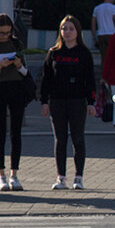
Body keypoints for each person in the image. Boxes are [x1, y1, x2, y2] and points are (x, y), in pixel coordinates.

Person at [39, 15, 97, 190]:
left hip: (78, 101)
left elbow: (90, 79)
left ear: (77, 31)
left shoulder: (84, 53)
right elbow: (45, 79)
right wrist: (44, 101)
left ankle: (78, 177)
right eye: (64, 28)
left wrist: (91, 102)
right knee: (60, 139)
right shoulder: (54, 53)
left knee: (78, 138)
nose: (68, 32)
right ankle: (61, 177)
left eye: (71, 29)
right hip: (57, 102)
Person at [0, 13, 32, 191]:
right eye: (2, 33)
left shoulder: (17, 43)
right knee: (0, 132)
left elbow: (26, 72)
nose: (5, 36)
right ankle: (0, 175)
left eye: (8, 33)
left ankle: (14, 175)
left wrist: (18, 65)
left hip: (16, 88)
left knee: (15, 132)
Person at [90, 0, 115, 71]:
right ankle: (113, 74)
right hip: (112, 34)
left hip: (101, 34)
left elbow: (93, 24)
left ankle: (104, 76)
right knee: (114, 56)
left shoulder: (97, 8)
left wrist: (94, 37)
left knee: (104, 57)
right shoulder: (113, 7)